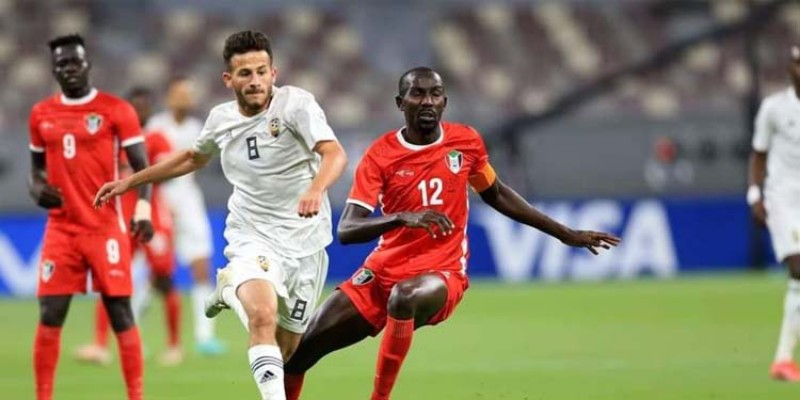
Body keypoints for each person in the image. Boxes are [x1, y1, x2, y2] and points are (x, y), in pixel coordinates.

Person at [282, 67, 621, 400]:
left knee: (405, 296)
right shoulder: (380, 154)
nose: (427, 101)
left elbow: (497, 194)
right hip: (381, 272)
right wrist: (402, 218)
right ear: (401, 103)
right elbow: (348, 229)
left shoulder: (466, 142)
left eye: (435, 94)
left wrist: (564, 233)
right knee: (297, 356)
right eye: (417, 93)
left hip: (442, 273)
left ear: (445, 101)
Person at [93, 30, 348, 400]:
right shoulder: (221, 119)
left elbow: (334, 153)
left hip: (306, 244)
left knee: (287, 351)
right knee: (261, 315)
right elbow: (191, 157)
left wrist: (316, 189)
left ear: (274, 73)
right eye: (245, 73)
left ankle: (229, 290)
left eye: (261, 71)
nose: (255, 80)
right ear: (229, 79)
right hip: (253, 236)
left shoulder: (296, 105)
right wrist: (130, 181)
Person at [28, 34, 153, 400]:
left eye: (75, 62)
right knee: (50, 313)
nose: (69, 68)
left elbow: (143, 167)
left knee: (120, 312)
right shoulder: (41, 114)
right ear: (53, 70)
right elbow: (36, 171)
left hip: (104, 228)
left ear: (87, 65)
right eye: (62, 64)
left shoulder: (116, 110)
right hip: (61, 229)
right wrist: (36, 190)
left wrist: (143, 208)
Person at [75, 87, 183, 366]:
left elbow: (170, 173)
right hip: (119, 218)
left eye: (142, 106)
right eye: (133, 107)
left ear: (150, 110)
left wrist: (141, 173)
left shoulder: (156, 138)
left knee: (164, 279)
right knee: (108, 279)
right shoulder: (113, 141)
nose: (138, 112)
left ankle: (174, 346)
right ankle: (100, 345)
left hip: (152, 215)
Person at [146, 76, 224, 355]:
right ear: (169, 97)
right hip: (160, 202)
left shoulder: (197, 128)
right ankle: (131, 332)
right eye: (179, 94)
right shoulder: (155, 127)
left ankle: (205, 336)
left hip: (189, 201)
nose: (184, 99)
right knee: (157, 273)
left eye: (188, 94)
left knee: (201, 265)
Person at [750, 45, 800, 382]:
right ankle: (782, 360)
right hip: (782, 199)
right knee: (798, 266)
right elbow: (758, 154)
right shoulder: (774, 108)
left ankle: (783, 360)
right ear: (790, 69)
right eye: (797, 64)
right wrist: (755, 194)